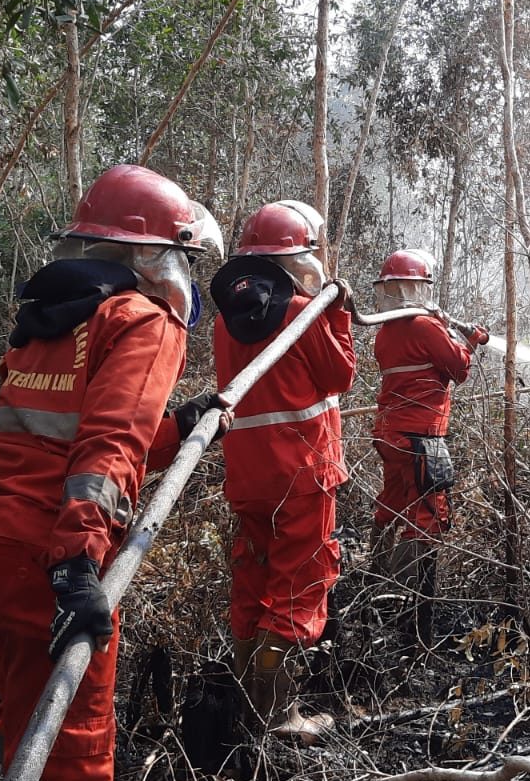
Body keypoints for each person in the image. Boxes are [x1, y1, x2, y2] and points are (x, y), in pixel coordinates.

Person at [0, 164, 227, 781]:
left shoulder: (49, 319)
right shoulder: (144, 320)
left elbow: (58, 440)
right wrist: (76, 566)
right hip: (44, 555)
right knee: (72, 752)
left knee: (26, 723)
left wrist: (177, 429)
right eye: (184, 258)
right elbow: (109, 446)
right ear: (153, 254)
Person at [210, 200, 355, 743]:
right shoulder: (300, 312)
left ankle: (246, 704)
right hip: (303, 476)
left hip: (249, 478)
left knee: (253, 580)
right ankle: (277, 716)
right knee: (300, 586)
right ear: (300, 260)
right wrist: (336, 311)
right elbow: (340, 375)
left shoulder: (227, 320)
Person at [368, 249, 488, 650]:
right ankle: (411, 620)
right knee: (429, 518)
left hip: (391, 434)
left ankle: (375, 585)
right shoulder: (422, 326)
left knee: (392, 503)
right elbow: (459, 368)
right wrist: (470, 339)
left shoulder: (386, 331)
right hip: (420, 438)